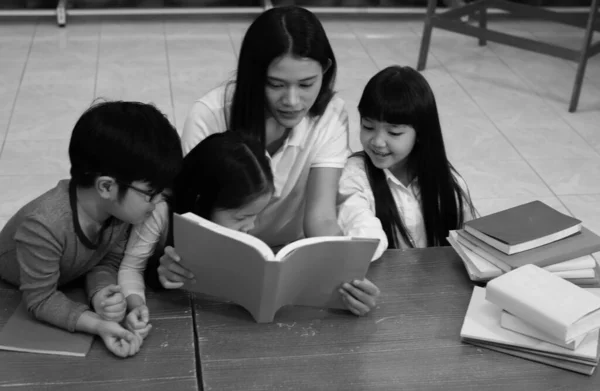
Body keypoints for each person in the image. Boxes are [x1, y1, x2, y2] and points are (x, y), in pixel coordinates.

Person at [160, 6, 380, 316]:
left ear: (326, 70)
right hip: (221, 268)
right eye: (275, 84)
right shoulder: (210, 115)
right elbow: (190, 216)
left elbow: (320, 218)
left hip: (291, 262)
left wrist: (345, 281)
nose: (292, 101)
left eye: (306, 84)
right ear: (253, 76)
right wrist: (176, 262)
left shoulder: (330, 114)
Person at [0, 101, 183, 358]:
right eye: (150, 194)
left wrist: (104, 295)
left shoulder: (117, 212)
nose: (156, 204)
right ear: (106, 187)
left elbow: (102, 258)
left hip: (67, 280)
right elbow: (40, 299)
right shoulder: (44, 225)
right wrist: (98, 325)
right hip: (12, 292)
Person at [118, 131, 274, 334]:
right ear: (203, 201)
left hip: (220, 317)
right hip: (170, 313)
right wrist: (137, 304)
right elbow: (131, 267)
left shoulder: (234, 221)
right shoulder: (160, 210)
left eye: (256, 216)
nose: (250, 226)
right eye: (241, 218)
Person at [337, 65, 477, 260]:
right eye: (368, 127)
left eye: (394, 133)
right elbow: (357, 221)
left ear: (420, 133)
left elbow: (470, 242)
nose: (377, 141)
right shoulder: (353, 176)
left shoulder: (448, 182)